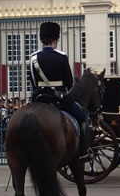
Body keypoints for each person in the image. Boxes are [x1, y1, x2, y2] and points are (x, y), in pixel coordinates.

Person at [28, 21, 90, 159]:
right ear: (55, 40)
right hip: (58, 99)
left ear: (42, 40)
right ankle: (84, 153)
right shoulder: (61, 56)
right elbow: (68, 82)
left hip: (39, 98)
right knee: (83, 118)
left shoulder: (33, 58)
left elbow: (32, 80)